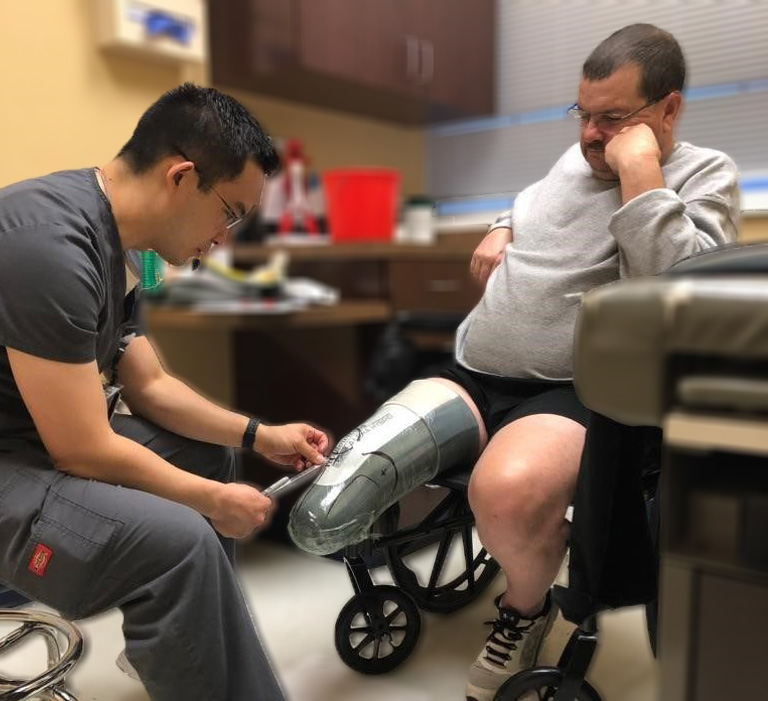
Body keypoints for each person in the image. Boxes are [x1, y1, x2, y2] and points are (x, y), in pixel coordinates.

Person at [285, 23, 740, 701]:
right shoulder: (574, 156)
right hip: (473, 372)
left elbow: (677, 294)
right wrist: (502, 225)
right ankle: (520, 551)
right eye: (582, 114)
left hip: (575, 392)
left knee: (500, 494)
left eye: (612, 119)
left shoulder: (707, 174)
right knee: (326, 505)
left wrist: (641, 173)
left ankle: (526, 610)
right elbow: (532, 201)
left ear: (667, 110)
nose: (589, 135)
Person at [0, 83, 330, 701]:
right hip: (19, 461)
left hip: (36, 442)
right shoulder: (48, 246)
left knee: (207, 456)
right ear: (181, 176)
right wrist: (212, 502)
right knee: (180, 543)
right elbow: (82, 450)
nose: (225, 239)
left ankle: (181, 653)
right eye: (230, 213)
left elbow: (147, 383)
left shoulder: (122, 246)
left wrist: (258, 435)